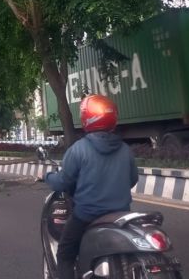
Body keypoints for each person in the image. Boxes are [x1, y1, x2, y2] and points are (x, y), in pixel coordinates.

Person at [40, 94, 139, 279]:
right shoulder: (125, 150)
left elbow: (63, 182)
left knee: (65, 253)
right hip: (121, 215)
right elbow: (132, 179)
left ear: (86, 117)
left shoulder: (78, 149)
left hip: (87, 216)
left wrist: (46, 176)